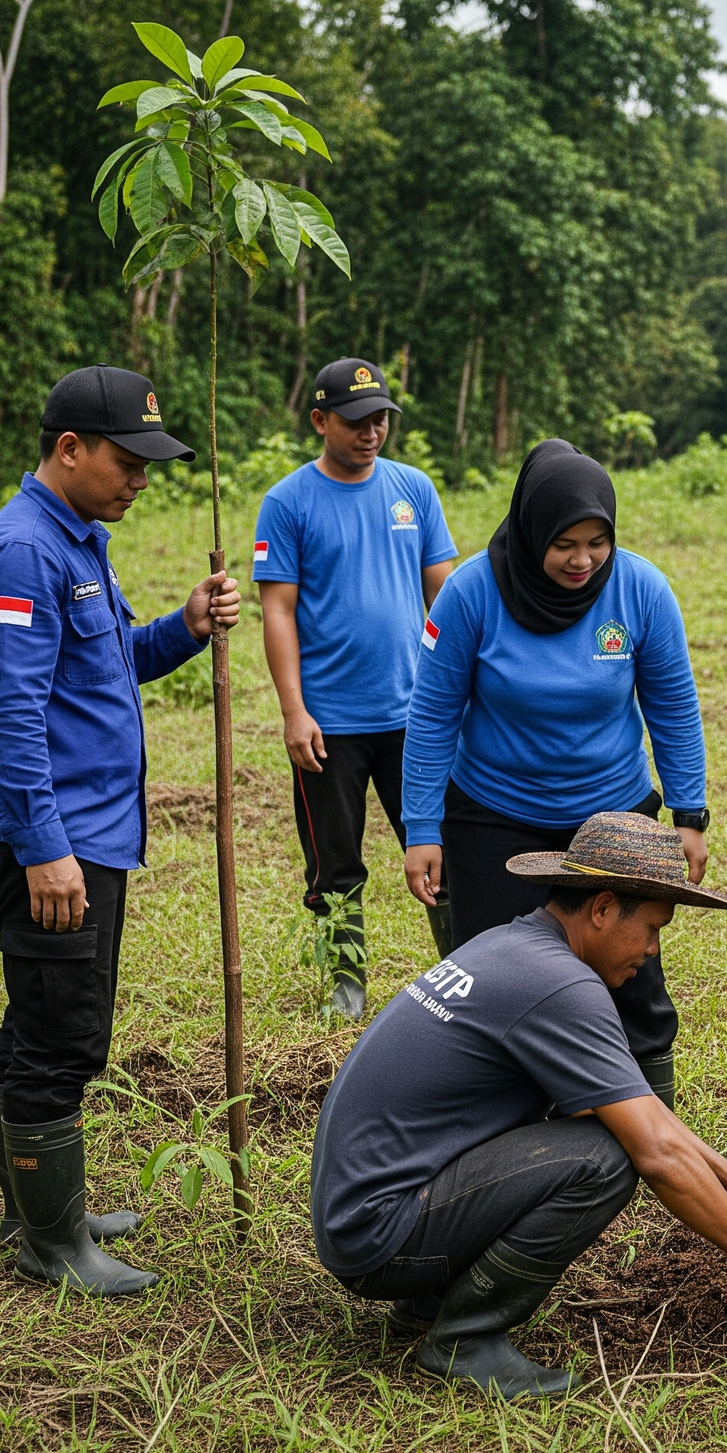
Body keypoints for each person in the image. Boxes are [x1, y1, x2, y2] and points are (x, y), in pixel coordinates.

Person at [313, 812, 727, 1398]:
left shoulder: (512, 946)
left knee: (604, 1130)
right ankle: (465, 1339)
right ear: (603, 908)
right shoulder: (563, 986)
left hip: (359, 1216)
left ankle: (428, 1302)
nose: (653, 950)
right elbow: (654, 1151)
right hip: (380, 1236)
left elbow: (620, 1105)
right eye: (652, 928)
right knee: (605, 1159)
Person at [0, 365, 240, 1298]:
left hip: (86, 835)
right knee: (63, 1039)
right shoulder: (21, 553)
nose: (142, 480)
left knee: (37, 1022)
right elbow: (10, 715)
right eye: (128, 461)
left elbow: (105, 669)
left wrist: (183, 628)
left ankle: (41, 1210)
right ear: (70, 449)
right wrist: (45, 848)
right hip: (54, 841)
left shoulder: (76, 541)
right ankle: (52, 1245)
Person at [400, 440, 710, 1107]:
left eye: (598, 542)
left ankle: (651, 1117)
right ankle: (504, 1119)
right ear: (531, 531)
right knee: (494, 980)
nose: (582, 560)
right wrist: (421, 827)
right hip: (493, 815)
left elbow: (674, 707)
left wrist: (690, 815)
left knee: (633, 978)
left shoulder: (641, 589)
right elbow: (431, 714)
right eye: (564, 543)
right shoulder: (470, 593)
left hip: (613, 817)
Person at [254, 358, 457, 1019]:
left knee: (444, 853)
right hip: (329, 725)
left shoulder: (413, 489)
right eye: (356, 422)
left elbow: (447, 595)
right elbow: (278, 611)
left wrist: (466, 690)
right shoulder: (287, 503)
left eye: (380, 421)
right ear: (320, 421)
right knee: (334, 868)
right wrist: (294, 711)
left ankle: (468, 975)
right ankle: (345, 992)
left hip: (415, 717)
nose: (371, 433)